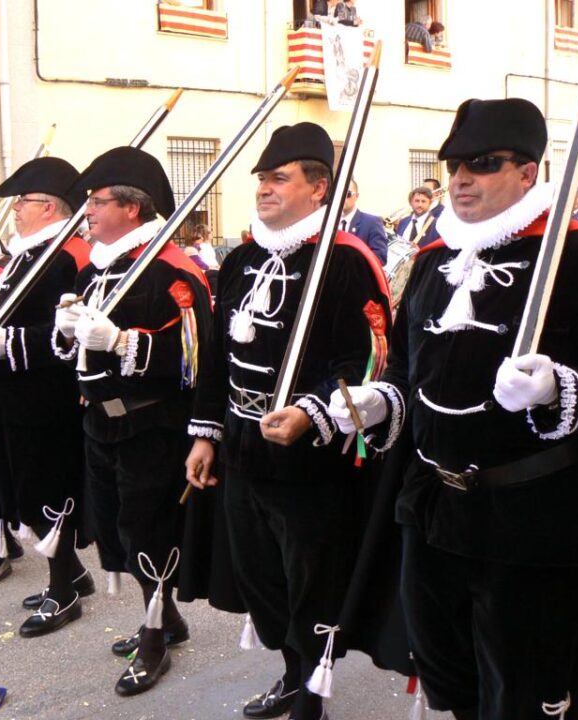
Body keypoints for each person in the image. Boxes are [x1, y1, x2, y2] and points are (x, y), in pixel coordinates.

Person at [330, 97, 578, 720]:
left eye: (483, 163)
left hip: (528, 517)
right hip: (431, 508)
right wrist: (380, 400)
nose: (461, 179)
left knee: (520, 690)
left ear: (528, 172)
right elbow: (408, 368)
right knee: (448, 675)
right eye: (454, 165)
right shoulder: (432, 258)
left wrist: (559, 389)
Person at [183, 123, 390, 720]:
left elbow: (369, 359)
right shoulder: (242, 258)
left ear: (319, 188)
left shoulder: (347, 261)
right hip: (243, 446)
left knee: (311, 582)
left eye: (279, 178)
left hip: (311, 455)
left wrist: (311, 410)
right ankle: (293, 673)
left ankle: (312, 693)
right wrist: (205, 434)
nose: (264, 189)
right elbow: (217, 358)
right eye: (262, 179)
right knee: (262, 575)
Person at [54, 147, 213, 696]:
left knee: (149, 530)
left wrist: (123, 342)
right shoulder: (94, 268)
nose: (88, 212)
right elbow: (76, 353)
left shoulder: (170, 270)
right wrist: (67, 332)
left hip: (152, 426)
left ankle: (154, 638)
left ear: (132, 208)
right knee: (117, 526)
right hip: (100, 422)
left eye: (98, 202)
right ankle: (165, 617)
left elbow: (195, 359)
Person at [0, 157, 94, 641]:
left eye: (24, 201)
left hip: (42, 398)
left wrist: (10, 342)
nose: (16, 209)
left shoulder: (65, 258)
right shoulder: (26, 255)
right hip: (6, 395)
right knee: (22, 491)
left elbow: (68, 333)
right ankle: (74, 574)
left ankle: (62, 589)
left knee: (47, 492)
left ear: (49, 207)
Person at [340, 178, 388, 263]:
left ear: (356, 196)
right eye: (339, 194)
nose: (342, 198)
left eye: (348, 194)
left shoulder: (372, 222)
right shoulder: (328, 223)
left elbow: (380, 257)